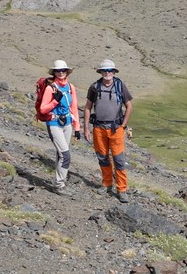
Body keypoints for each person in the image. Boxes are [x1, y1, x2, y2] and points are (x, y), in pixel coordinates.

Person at [83, 59, 133, 203]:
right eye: (105, 70)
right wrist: (86, 128)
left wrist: (123, 125)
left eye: (110, 70)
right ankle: (106, 184)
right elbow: (87, 107)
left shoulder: (119, 85)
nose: (107, 73)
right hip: (98, 128)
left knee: (119, 160)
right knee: (102, 157)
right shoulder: (94, 87)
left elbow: (129, 106)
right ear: (100, 72)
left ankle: (122, 189)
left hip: (115, 129)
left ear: (114, 72)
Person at [38, 59, 81, 198]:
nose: (61, 73)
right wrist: (55, 101)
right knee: (66, 155)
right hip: (54, 123)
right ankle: (59, 185)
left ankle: (59, 182)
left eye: (63, 70)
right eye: (58, 71)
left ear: (67, 72)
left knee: (61, 154)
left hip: (67, 123)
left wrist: (77, 128)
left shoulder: (70, 87)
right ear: (54, 72)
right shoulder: (51, 88)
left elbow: (73, 107)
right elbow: (43, 109)